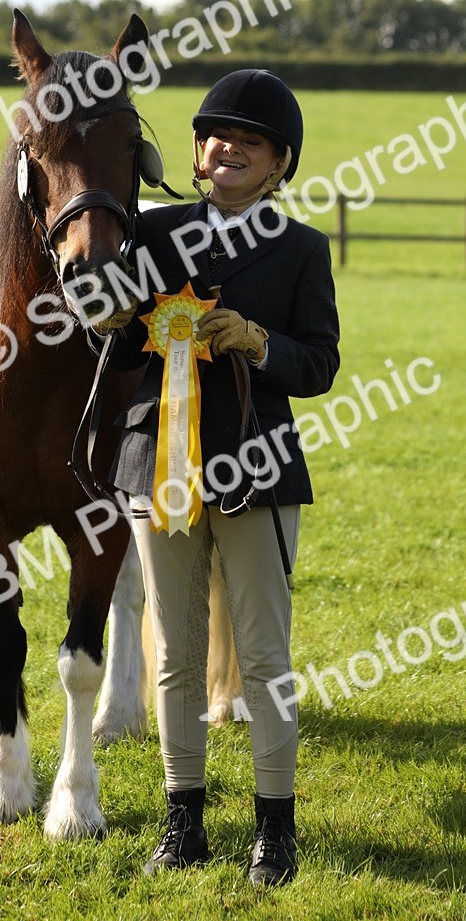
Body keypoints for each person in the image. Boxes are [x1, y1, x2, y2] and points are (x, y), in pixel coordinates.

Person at [100, 68, 340, 887]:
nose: (227, 148)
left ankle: (275, 830)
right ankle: (183, 821)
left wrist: (261, 343)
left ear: (279, 163)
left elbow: (320, 363)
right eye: (215, 136)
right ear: (197, 152)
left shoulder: (303, 248)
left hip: (255, 466)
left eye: (250, 141)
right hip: (156, 464)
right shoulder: (151, 231)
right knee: (174, 653)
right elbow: (118, 344)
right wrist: (110, 320)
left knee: (265, 654)